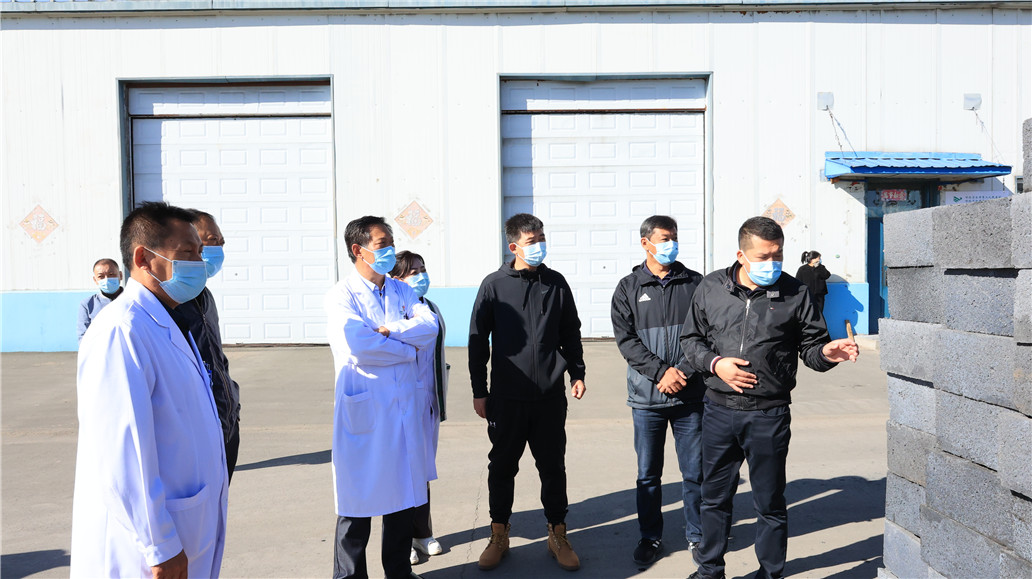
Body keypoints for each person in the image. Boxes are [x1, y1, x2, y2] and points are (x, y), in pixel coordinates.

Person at [680, 217, 858, 579]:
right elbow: (690, 340)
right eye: (764, 257)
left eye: (778, 255)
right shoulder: (711, 287)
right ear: (741, 255)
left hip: (769, 415)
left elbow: (812, 349)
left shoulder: (796, 292)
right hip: (719, 411)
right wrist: (715, 364)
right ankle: (709, 570)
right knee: (714, 498)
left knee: (770, 502)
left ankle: (770, 573)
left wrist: (827, 354)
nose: (772, 264)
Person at [71, 201, 228, 578]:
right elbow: (121, 454)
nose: (199, 264)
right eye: (187, 253)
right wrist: (160, 545)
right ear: (143, 258)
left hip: (187, 527)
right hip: (147, 547)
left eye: (200, 252)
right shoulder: (121, 331)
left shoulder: (168, 320)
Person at [469, 213, 587, 572]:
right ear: (514, 246)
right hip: (507, 398)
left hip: (549, 397)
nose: (539, 245)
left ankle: (558, 534)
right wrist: (480, 391)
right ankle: (498, 534)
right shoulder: (494, 286)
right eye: (532, 240)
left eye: (541, 238)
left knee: (552, 467)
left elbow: (570, 331)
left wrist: (577, 372)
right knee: (502, 467)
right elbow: (478, 342)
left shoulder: (556, 283)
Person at [325, 216, 439, 579]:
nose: (390, 250)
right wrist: (407, 350)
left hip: (403, 410)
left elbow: (430, 326)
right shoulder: (342, 295)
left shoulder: (401, 290)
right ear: (358, 250)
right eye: (382, 244)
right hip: (365, 411)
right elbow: (359, 345)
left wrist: (390, 331)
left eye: (391, 242)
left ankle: (399, 572)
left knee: (402, 499)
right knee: (356, 505)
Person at [610, 215, 705, 567]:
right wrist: (661, 372)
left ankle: (698, 536)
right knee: (648, 475)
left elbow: (706, 334)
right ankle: (650, 536)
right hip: (647, 399)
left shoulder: (695, 283)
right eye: (665, 238)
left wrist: (682, 371)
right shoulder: (628, 288)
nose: (671, 244)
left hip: (690, 396)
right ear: (645, 242)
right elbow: (627, 341)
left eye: (674, 237)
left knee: (695, 473)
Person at [390, 251, 449, 566]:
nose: (421, 276)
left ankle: (422, 533)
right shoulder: (391, 312)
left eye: (422, 270)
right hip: (399, 405)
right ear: (396, 278)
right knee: (400, 473)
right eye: (413, 272)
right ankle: (401, 541)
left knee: (422, 470)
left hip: (427, 404)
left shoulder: (431, 309)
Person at [178, 209, 242, 482]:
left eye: (221, 242)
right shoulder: (168, 304)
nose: (218, 249)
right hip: (195, 431)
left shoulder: (204, 296)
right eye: (212, 240)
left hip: (225, 422)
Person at [77, 258, 123, 342]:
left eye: (111, 274)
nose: (107, 279)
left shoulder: (133, 300)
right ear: (95, 280)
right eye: (101, 276)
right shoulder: (88, 304)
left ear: (120, 275)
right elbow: (83, 336)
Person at [795, 251, 831, 316]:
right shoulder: (802, 269)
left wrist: (819, 267)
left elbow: (827, 275)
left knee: (819, 313)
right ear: (812, 259)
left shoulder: (821, 267)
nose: (820, 260)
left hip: (819, 296)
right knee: (808, 314)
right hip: (807, 295)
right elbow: (798, 282)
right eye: (818, 258)